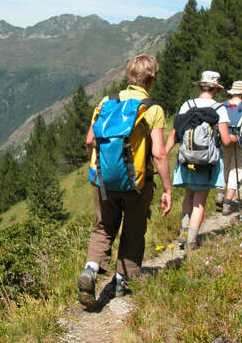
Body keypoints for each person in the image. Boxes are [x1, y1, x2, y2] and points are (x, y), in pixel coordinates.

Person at [78, 53, 172, 309]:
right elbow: (159, 153)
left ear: (129, 76)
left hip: (103, 182)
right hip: (136, 184)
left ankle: (90, 269)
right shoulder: (152, 109)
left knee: (103, 227)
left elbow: (89, 141)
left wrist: (99, 167)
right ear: (151, 79)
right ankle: (122, 281)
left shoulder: (105, 102)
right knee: (133, 229)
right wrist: (167, 189)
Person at [165, 71, 233, 253]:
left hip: (187, 159)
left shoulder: (187, 105)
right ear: (216, 89)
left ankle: (183, 235)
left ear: (201, 86)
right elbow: (226, 141)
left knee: (188, 196)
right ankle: (191, 243)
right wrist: (235, 139)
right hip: (207, 162)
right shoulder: (220, 109)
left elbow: (175, 134)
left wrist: (163, 154)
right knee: (199, 202)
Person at [215, 81, 242, 215]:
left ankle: (220, 194)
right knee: (237, 170)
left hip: (224, 139)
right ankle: (228, 204)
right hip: (240, 142)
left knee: (224, 167)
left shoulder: (222, 105)